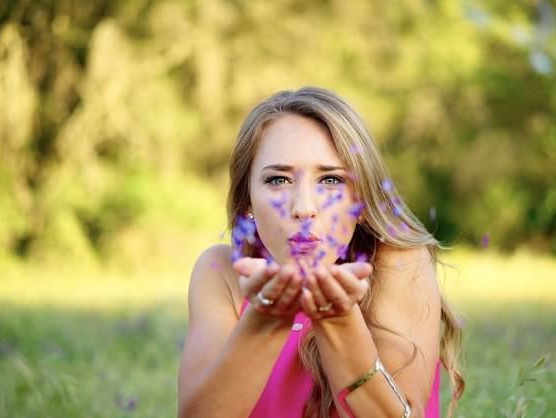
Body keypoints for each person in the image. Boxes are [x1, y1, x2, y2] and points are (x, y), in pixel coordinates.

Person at [177, 87, 464, 417]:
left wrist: (339, 322)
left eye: (330, 180)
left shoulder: (398, 262)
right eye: (278, 180)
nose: (303, 208)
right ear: (247, 200)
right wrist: (265, 320)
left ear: (362, 198)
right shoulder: (223, 273)